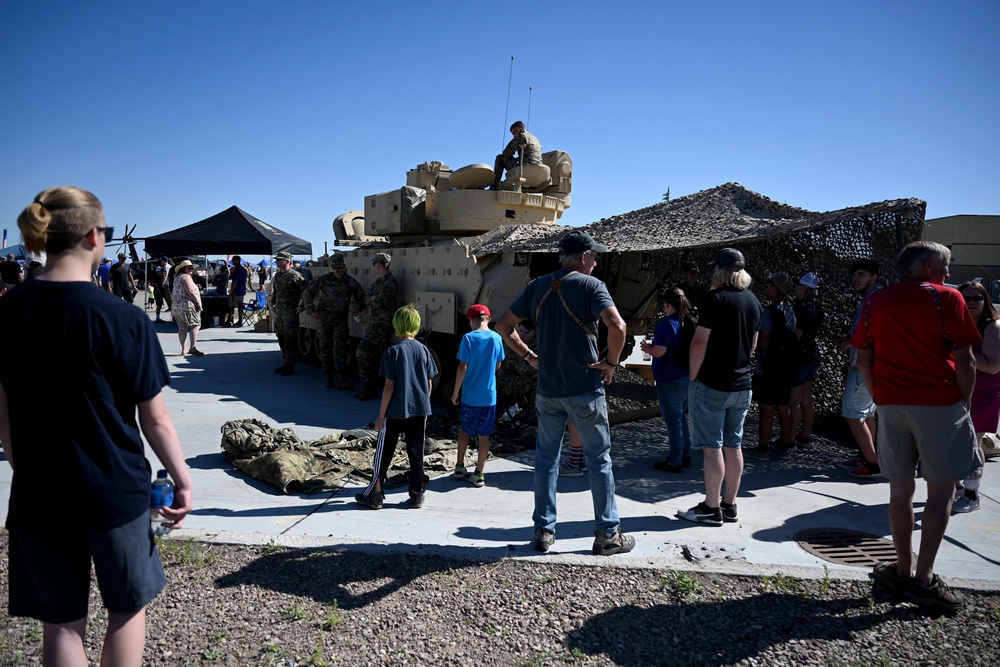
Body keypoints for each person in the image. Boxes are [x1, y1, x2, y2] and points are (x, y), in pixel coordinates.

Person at [0, 185, 192, 667]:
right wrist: (182, 478)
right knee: (126, 609)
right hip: (114, 493)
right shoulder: (123, 319)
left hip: (39, 493)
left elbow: (2, 412)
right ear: (92, 237)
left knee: (61, 624)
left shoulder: (7, 311)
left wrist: (27, 470)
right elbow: (155, 417)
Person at [854, 241, 980, 612]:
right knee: (941, 493)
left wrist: (881, 396)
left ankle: (903, 570)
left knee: (899, 490)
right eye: (946, 265)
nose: (948, 273)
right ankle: (924, 579)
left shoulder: (876, 301)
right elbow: (966, 359)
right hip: (939, 403)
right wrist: (964, 402)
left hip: (892, 404)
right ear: (929, 265)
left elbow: (863, 357)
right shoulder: (947, 298)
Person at [496, 228, 635, 556]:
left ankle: (543, 531)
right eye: (596, 257)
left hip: (548, 390)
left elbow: (503, 325)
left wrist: (530, 357)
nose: (597, 263)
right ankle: (607, 534)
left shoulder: (537, 286)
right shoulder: (591, 286)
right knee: (598, 460)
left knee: (545, 460)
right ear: (584, 257)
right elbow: (618, 326)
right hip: (585, 388)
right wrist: (611, 363)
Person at [677, 248, 762, 527]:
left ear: (721, 271)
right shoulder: (753, 301)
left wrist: (693, 374)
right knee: (733, 444)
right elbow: (752, 345)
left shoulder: (714, 299)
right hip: (742, 384)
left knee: (711, 446)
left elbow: (700, 342)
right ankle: (730, 503)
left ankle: (711, 508)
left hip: (712, 384)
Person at [356, 305, 438, 510]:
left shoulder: (391, 352)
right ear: (416, 325)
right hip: (419, 410)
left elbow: (389, 387)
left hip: (394, 412)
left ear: (396, 325)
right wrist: (425, 406)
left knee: (384, 452)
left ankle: (375, 494)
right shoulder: (424, 350)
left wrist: (381, 416)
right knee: (416, 451)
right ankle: (417, 494)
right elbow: (429, 383)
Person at [953, 281, 1000, 513]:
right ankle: (958, 489)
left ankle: (972, 494)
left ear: (985, 301)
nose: (970, 303)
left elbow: (992, 366)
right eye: (965, 298)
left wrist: (961, 350)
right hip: (954, 391)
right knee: (952, 443)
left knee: (973, 443)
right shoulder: (955, 323)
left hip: (981, 394)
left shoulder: (992, 328)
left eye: (976, 299)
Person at [450, 304, 505, 487]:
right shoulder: (497, 338)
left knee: (465, 429)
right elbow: (498, 365)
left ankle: (459, 467)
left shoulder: (468, 338)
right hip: (489, 397)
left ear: (472, 320)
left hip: (470, 396)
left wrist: (456, 392)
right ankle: (479, 474)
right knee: (484, 436)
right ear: (488, 319)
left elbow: (462, 367)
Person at [641, 287, 695, 473]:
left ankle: (674, 461)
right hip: (686, 376)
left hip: (669, 378)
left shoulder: (667, 324)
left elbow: (659, 351)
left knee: (673, 422)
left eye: (665, 303)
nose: (664, 306)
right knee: (681, 418)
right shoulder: (688, 321)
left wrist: (647, 348)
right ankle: (684, 454)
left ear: (669, 304)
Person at [837, 259, 882, 477]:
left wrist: (854, 342)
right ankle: (867, 456)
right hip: (864, 364)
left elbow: (875, 332)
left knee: (853, 414)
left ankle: (874, 464)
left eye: (861, 274)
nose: (856, 278)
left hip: (863, 366)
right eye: (854, 274)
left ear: (874, 277)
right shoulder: (871, 298)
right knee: (867, 413)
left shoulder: (874, 300)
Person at [747, 272, 798, 461]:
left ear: (775, 289)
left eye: (769, 285)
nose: (766, 288)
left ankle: (762, 450)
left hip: (767, 369)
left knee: (766, 409)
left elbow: (765, 342)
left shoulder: (768, 312)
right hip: (786, 369)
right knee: (784, 409)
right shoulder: (791, 312)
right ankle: (784, 447)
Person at [303, 252, 364, 388]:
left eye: (339, 268)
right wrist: (312, 310)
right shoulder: (324, 280)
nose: (336, 271)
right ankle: (328, 377)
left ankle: (341, 378)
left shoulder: (351, 282)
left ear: (344, 266)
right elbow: (308, 293)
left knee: (340, 349)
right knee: (324, 347)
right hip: (324, 319)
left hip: (340, 320)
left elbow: (360, 296)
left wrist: (357, 305)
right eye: (334, 268)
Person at [788, 271, 824, 448]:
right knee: (807, 399)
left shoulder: (800, 307)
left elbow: (797, 334)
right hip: (813, 353)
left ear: (805, 288)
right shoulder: (817, 307)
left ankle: (788, 440)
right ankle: (805, 437)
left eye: (797, 285)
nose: (794, 288)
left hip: (800, 355)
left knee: (794, 400)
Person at [356, 252, 398, 400]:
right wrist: (373, 299)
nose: (374, 266)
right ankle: (369, 386)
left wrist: (373, 299)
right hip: (375, 319)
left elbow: (378, 301)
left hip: (383, 321)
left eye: (374, 263)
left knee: (364, 350)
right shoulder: (380, 282)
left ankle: (367, 387)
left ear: (379, 264)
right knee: (371, 352)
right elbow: (369, 297)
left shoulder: (390, 282)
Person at [271, 251, 306, 376]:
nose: (277, 261)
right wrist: (273, 303)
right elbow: (275, 291)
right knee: (281, 337)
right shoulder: (278, 276)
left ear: (286, 261)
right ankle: (286, 361)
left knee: (290, 339)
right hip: (280, 312)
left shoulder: (295, 276)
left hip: (290, 313)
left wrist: (302, 306)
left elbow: (305, 291)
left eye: (279, 260)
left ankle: (290, 365)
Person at [492, 120, 543, 191]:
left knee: (500, 158)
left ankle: (494, 186)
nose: (513, 136)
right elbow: (530, 156)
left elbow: (506, 153)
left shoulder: (521, 137)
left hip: (525, 169)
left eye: (513, 133)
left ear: (517, 129)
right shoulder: (536, 139)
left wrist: (515, 139)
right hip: (536, 170)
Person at [170, 259, 204, 356]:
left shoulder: (176, 278)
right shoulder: (186, 277)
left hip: (177, 307)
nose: (191, 270)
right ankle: (192, 347)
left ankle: (183, 350)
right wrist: (197, 302)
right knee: (195, 325)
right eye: (189, 268)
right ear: (183, 269)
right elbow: (191, 291)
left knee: (182, 328)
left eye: (192, 268)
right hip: (188, 305)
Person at [224, 256, 248, 327]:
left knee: (231, 306)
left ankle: (229, 320)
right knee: (240, 306)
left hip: (236, 291)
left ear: (238, 261)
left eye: (235, 261)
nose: (234, 262)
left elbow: (235, 282)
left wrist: (231, 292)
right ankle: (240, 320)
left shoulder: (237, 270)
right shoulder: (244, 270)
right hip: (242, 291)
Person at [153, 256, 172, 322]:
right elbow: (156, 286)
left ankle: (171, 311)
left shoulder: (166, 268)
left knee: (169, 301)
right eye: (161, 272)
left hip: (162, 291)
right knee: (159, 305)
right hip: (158, 292)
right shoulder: (157, 278)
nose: (163, 273)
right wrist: (160, 293)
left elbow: (166, 275)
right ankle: (157, 318)